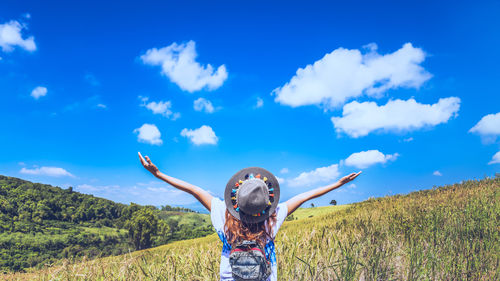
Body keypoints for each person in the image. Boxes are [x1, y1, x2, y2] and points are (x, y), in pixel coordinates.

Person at [138, 152, 361, 281]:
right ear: (267, 204)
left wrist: (158, 174)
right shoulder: (273, 220)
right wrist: (338, 184)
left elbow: (193, 190)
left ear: (236, 200)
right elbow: (304, 196)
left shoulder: (221, 214)